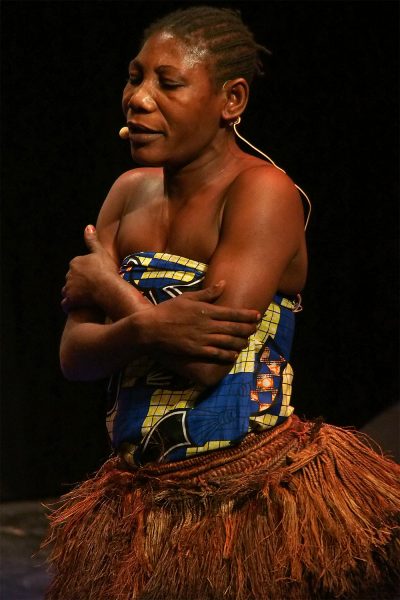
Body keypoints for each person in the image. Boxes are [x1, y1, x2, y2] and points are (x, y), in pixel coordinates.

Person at [44, 6, 400, 600]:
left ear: (231, 100)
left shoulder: (262, 192)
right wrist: (156, 326)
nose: (138, 97)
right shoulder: (129, 193)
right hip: (139, 499)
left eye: (169, 82)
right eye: (135, 76)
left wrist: (108, 290)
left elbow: (207, 360)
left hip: (248, 500)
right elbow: (75, 356)